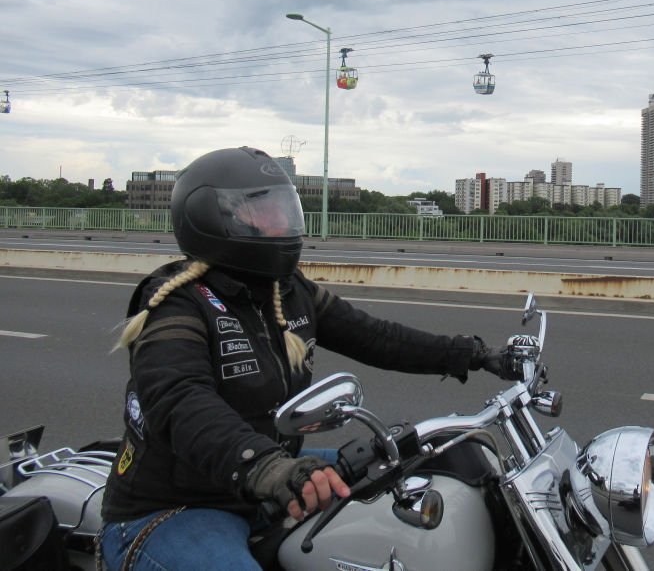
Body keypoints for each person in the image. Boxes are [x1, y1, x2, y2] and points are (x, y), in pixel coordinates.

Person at [98, 146, 519, 570]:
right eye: (263, 211)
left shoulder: (286, 291)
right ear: (212, 218)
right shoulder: (175, 303)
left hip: (275, 478)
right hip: (179, 506)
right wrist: (267, 468)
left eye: (284, 209)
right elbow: (179, 399)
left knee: (434, 462)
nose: (281, 223)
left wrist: (474, 354)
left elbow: (376, 337)